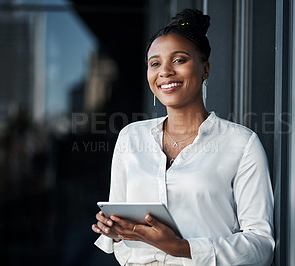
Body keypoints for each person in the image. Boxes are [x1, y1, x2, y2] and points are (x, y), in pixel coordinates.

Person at [92, 8, 274, 266]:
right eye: (155, 63)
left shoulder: (241, 144)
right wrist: (116, 231)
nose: (164, 71)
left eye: (179, 60)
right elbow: (122, 235)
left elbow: (261, 246)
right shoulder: (130, 137)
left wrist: (180, 247)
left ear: (205, 69)